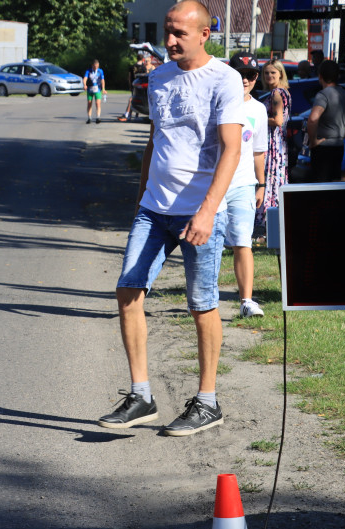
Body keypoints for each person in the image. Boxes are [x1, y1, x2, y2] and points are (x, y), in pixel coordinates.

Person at [97, 0, 243, 436]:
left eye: (180, 32)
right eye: (168, 30)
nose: (170, 40)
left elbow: (231, 150)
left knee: (202, 305)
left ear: (204, 34)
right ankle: (141, 396)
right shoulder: (158, 76)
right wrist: (142, 193)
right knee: (128, 290)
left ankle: (208, 401)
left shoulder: (225, 79)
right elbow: (154, 140)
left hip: (200, 210)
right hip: (153, 209)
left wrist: (207, 210)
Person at [223, 57, 268, 318]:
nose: (245, 80)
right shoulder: (216, 102)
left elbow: (259, 152)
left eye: (251, 75)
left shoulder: (259, 110)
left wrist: (260, 184)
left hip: (243, 184)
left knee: (243, 242)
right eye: (240, 74)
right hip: (214, 184)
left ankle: (246, 301)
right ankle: (202, 299)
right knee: (209, 244)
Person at [254, 58, 291, 238]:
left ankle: (266, 222)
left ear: (280, 74)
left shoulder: (277, 93)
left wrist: (259, 117)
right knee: (275, 181)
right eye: (266, 72)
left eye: (273, 73)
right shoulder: (282, 92)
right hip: (278, 144)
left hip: (273, 144)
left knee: (269, 180)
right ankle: (273, 222)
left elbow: (278, 120)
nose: (269, 76)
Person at [306, 60, 345, 182]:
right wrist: (341, 136)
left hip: (323, 147)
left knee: (320, 186)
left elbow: (313, 119)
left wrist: (313, 141)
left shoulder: (323, 95)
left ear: (320, 76)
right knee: (333, 185)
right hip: (339, 146)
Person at [84, 59, 106, 124]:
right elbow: (85, 78)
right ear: (92, 66)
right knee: (89, 103)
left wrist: (103, 88)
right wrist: (85, 85)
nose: (96, 67)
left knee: (97, 103)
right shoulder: (88, 71)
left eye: (97, 66)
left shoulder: (100, 71)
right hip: (90, 89)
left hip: (98, 89)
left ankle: (98, 117)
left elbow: (102, 80)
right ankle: (89, 118)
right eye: (95, 66)